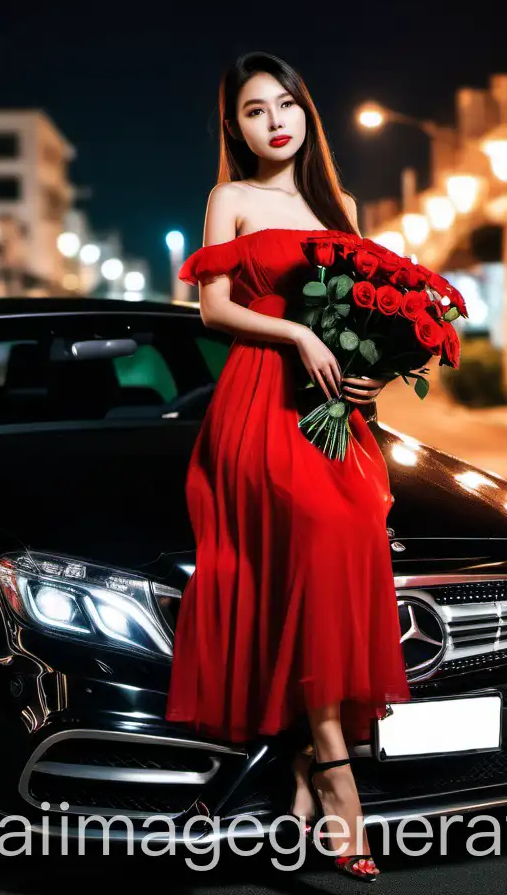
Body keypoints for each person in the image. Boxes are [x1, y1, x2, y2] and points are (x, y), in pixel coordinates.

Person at [165, 51, 411, 883]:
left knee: (344, 552)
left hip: (331, 413)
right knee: (308, 548)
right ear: (233, 127)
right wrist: (300, 334)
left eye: (287, 104)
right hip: (258, 404)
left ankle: (306, 768)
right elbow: (215, 306)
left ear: (307, 113)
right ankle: (340, 777)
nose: (275, 120)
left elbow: (364, 315)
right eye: (253, 110)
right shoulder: (229, 199)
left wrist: (367, 365)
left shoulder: (337, 208)